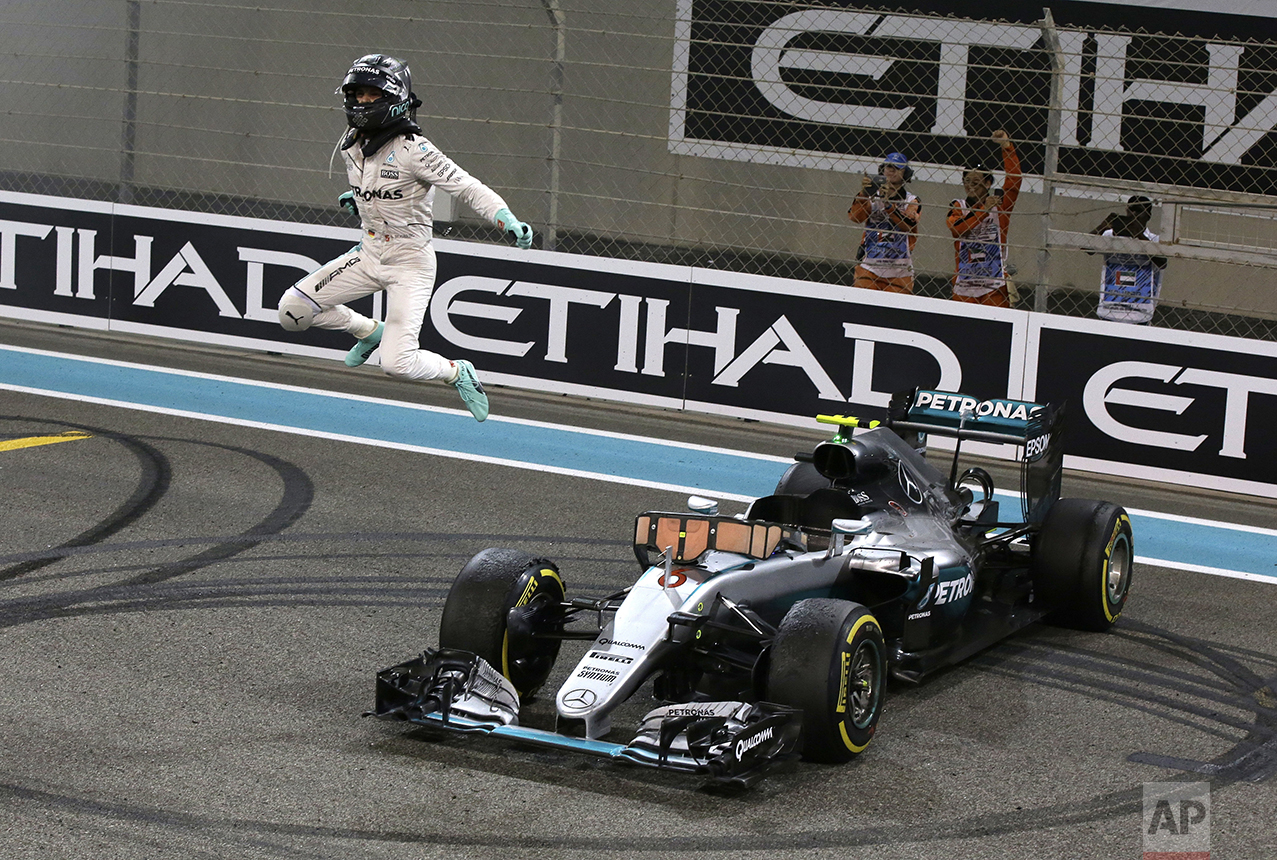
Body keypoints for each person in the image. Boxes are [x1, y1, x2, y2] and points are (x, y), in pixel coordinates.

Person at [276, 54, 534, 422]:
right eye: (357, 94)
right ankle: (369, 331)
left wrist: (505, 217)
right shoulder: (350, 143)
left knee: (397, 364)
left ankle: (457, 372)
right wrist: (363, 202)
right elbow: (379, 187)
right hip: (368, 253)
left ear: (394, 97)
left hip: (409, 262)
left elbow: (468, 187)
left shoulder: (416, 149)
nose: (362, 102)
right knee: (292, 311)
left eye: (371, 94)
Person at [946, 130, 1021, 308]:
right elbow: (958, 229)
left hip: (994, 285)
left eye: (976, 182)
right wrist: (982, 211)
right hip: (965, 285)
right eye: (967, 181)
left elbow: (1014, 181)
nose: (970, 186)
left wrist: (1007, 147)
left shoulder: (1000, 206)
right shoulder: (958, 206)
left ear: (988, 184)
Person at [848, 152, 922, 294]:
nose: (892, 170)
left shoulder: (911, 200)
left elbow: (908, 225)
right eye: (889, 166)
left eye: (897, 168)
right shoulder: (871, 196)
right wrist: (863, 194)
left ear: (905, 173)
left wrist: (888, 204)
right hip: (870, 265)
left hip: (900, 268)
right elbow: (855, 217)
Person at [1090, 196, 1167, 325]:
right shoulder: (1111, 235)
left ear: (1148, 215)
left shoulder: (1154, 240)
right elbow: (1087, 247)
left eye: (1138, 210)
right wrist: (1103, 226)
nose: (1134, 214)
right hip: (1110, 309)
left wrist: (1138, 235)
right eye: (1131, 209)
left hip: (1140, 313)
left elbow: (1162, 262)